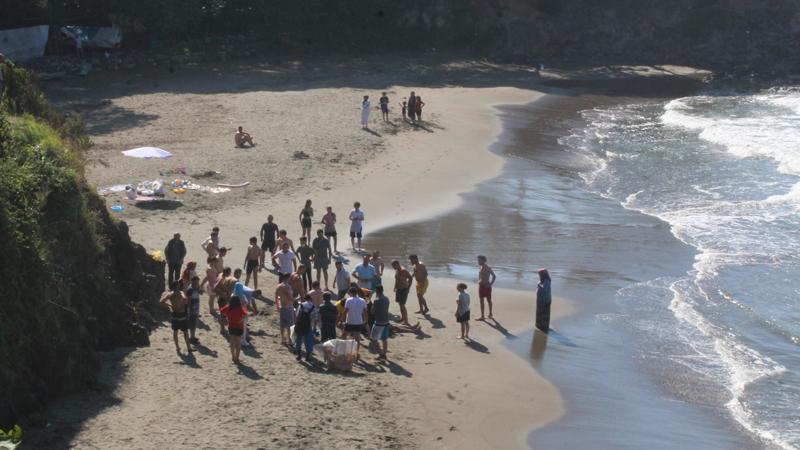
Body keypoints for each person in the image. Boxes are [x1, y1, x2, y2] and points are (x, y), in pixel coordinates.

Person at [160, 281, 193, 354]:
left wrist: (170, 306)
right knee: (185, 332)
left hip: (175, 313)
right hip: (181, 313)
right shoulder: (180, 293)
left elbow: (162, 302)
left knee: (176, 331)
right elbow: (185, 300)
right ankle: (188, 347)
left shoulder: (170, 294)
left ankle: (178, 347)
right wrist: (182, 307)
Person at [233, 268, 258, 346]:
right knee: (242, 325)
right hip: (241, 313)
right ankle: (243, 340)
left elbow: (251, 303)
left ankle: (242, 338)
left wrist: (254, 309)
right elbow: (247, 305)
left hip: (237, 313)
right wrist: (252, 311)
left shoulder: (236, 295)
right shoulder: (244, 296)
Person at [220, 296, 248, 363]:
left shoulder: (229, 307)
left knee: (232, 341)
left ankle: (233, 356)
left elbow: (221, 311)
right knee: (238, 343)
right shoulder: (240, 308)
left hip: (231, 326)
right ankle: (237, 358)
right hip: (239, 327)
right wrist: (241, 320)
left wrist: (226, 317)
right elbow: (246, 314)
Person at [343, 287, 368, 357]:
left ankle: (343, 351)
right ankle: (356, 352)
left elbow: (345, 311)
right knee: (357, 338)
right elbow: (365, 311)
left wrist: (342, 319)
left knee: (344, 336)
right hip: (358, 322)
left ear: (350, 293)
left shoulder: (348, 300)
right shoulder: (362, 300)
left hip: (349, 321)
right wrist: (366, 320)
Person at [274, 274, 295, 346]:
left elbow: (277, 297)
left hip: (282, 307)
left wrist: (278, 305)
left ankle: (283, 339)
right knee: (289, 325)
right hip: (288, 307)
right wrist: (296, 299)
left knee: (282, 324)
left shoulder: (279, 286)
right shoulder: (287, 287)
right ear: (288, 278)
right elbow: (289, 297)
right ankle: (289, 340)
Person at [372, 285, 391, 359]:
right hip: (386, 321)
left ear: (377, 291)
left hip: (379, 322)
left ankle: (380, 354)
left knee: (373, 338)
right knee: (384, 339)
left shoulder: (376, 300)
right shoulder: (387, 299)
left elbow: (372, 312)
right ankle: (384, 353)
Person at [294, 295, 316, 361]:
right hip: (308, 325)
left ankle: (299, 355)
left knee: (298, 340)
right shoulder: (313, 306)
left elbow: (297, 315)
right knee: (309, 341)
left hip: (300, 325)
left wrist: (296, 324)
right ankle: (308, 356)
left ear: (305, 299)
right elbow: (315, 318)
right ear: (311, 299)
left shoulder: (301, 305)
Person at [392, 260, 413, 324]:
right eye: (392, 266)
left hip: (403, 289)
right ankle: (403, 318)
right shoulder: (397, 270)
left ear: (397, 264)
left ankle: (406, 321)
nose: (393, 267)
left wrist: (408, 287)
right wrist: (395, 287)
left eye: (394, 265)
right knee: (400, 304)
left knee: (402, 305)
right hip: (398, 289)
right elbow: (397, 279)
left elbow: (410, 278)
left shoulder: (404, 270)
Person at [477, 255, 496, 320]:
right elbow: (480, 276)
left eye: (479, 260)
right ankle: (482, 316)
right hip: (481, 286)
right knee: (481, 301)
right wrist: (479, 281)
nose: (478, 261)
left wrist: (490, 284)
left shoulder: (488, 267)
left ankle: (490, 314)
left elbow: (494, 276)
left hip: (487, 286)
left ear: (483, 260)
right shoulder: (480, 267)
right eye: (478, 260)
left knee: (489, 300)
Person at [186, 276, 202, 344]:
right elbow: (188, 300)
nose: (197, 283)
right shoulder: (190, 289)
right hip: (192, 308)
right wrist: (189, 309)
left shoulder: (195, 288)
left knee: (195, 322)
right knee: (192, 323)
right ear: (193, 281)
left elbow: (201, 293)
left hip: (196, 307)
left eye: (198, 282)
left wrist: (198, 287)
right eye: (196, 282)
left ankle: (193, 336)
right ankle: (191, 338)